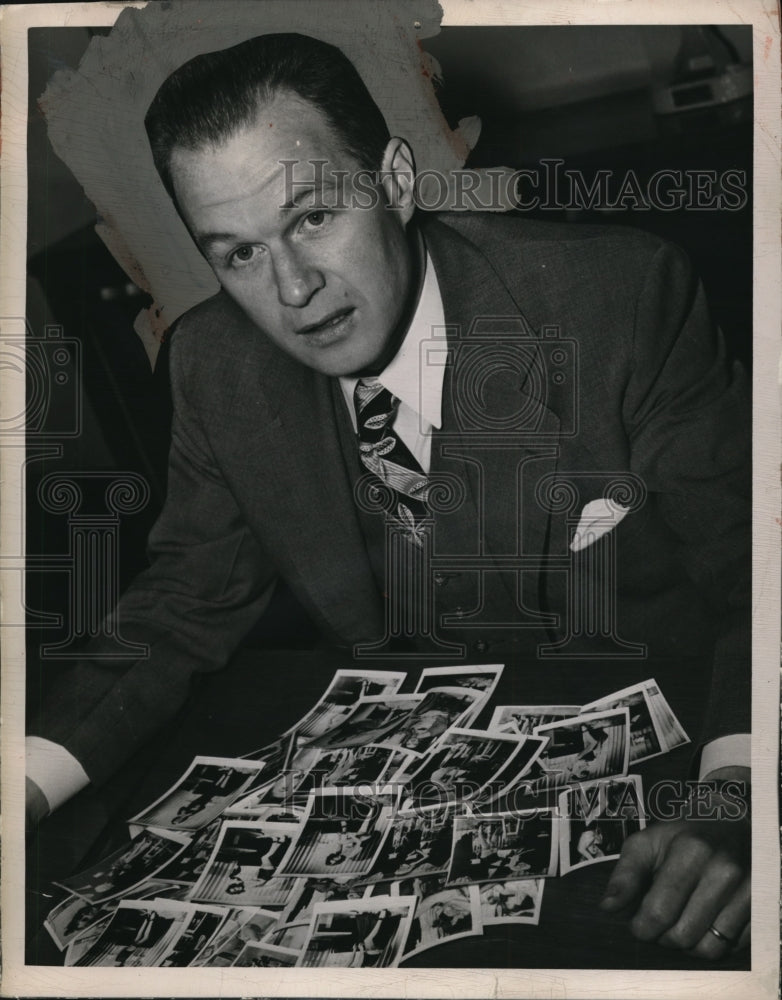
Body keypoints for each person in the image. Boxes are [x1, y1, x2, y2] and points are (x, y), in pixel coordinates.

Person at [26, 31, 750, 960]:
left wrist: (734, 799)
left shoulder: (617, 298)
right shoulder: (215, 366)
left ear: (397, 182)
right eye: (239, 254)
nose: (293, 288)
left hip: (669, 784)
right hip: (401, 832)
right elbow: (180, 605)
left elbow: (757, 577)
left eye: (315, 218)